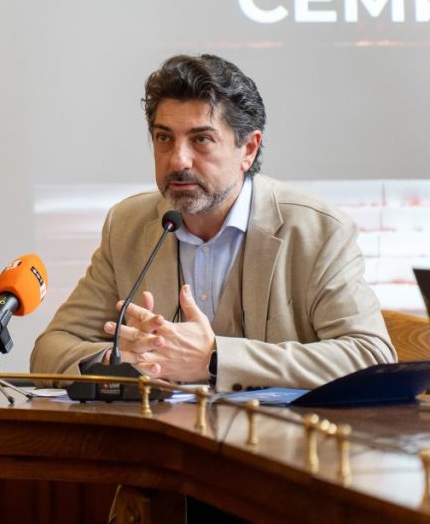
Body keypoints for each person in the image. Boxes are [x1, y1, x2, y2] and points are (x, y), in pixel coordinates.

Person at [31, 54, 395, 393]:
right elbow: (50, 349)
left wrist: (215, 358)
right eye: (164, 138)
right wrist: (120, 360)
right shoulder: (128, 225)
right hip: (164, 435)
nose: (178, 160)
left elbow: (371, 357)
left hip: (279, 436)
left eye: (201, 139)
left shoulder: (317, 230)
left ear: (248, 149)